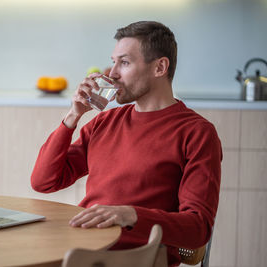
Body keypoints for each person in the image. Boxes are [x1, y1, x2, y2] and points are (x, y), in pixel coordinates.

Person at [30, 21, 222, 267]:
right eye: (113, 61)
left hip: (138, 259)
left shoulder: (197, 133)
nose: (111, 74)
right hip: (82, 248)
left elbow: (198, 229)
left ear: (160, 67)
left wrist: (130, 215)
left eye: (125, 62)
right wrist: (72, 117)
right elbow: (44, 182)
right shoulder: (105, 122)